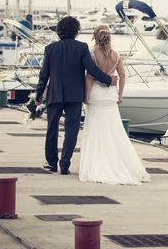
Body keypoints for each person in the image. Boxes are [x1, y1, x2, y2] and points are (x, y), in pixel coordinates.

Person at [35, 16, 117, 174]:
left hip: (55, 94)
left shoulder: (50, 49)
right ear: (76, 31)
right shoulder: (81, 47)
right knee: (71, 130)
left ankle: (51, 163)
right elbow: (91, 69)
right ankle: (65, 164)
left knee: (52, 129)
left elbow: (43, 75)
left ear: (59, 31)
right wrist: (108, 79)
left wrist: (38, 95)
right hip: (75, 95)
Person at [80, 25, 150, 185]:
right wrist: (120, 94)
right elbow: (122, 75)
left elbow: (90, 76)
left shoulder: (92, 53)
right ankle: (123, 164)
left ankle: (97, 164)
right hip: (110, 95)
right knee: (114, 130)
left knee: (96, 130)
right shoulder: (117, 55)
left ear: (95, 37)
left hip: (97, 95)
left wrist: (87, 95)